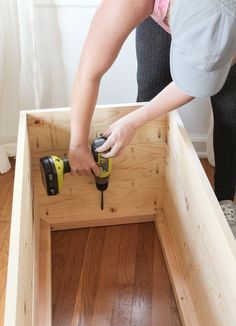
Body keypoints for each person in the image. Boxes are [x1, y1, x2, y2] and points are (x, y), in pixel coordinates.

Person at [68, 0, 236, 236]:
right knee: (150, 90)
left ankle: (224, 198)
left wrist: (132, 121)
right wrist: (77, 143)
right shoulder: (129, 3)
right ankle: (147, 185)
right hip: (165, 8)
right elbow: (88, 73)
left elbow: (196, 81)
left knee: (230, 110)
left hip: (219, 17)